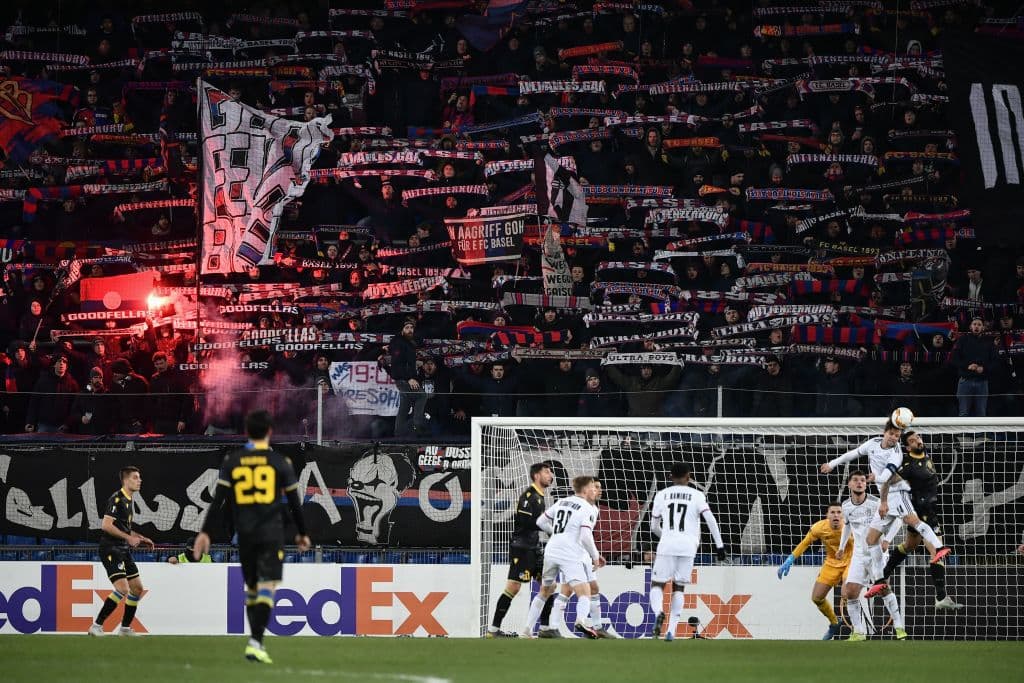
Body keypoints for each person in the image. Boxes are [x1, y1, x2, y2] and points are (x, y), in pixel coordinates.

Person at [192, 410, 311, 664]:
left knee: (252, 589)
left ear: (246, 432)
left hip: (243, 534)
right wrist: (302, 533)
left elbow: (219, 501)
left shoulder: (232, 461)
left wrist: (205, 532)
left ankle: (255, 642)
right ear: (270, 432)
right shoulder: (280, 462)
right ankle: (256, 642)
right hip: (271, 532)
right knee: (267, 587)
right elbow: (294, 502)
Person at [820, 420, 951, 599]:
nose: (894, 438)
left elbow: (886, 477)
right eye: (892, 434)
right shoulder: (873, 443)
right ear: (885, 433)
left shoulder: (897, 453)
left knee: (913, 521)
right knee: (871, 539)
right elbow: (852, 454)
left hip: (897, 494)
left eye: (897, 436)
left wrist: (876, 480)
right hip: (886, 497)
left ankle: (939, 547)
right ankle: (880, 579)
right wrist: (833, 463)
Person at [878, 430, 964, 611]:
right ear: (907, 447)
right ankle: (941, 596)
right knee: (937, 551)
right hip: (922, 512)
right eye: (912, 440)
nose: (918, 440)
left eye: (918, 437)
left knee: (909, 546)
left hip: (929, 508)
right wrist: (886, 500)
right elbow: (887, 480)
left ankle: (881, 575)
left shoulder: (924, 453)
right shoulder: (907, 464)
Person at [649, 463, 727, 641]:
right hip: (688, 547)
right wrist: (720, 545)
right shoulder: (697, 495)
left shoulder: (662, 495)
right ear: (688, 476)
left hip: (667, 545)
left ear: (670, 477)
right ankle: (671, 631)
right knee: (679, 587)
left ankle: (659, 612)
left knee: (657, 585)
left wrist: (666, 535)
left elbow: (653, 526)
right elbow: (710, 519)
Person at [538, 479, 618, 639]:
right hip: (570, 555)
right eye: (595, 487)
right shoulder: (580, 506)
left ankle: (598, 627)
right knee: (567, 590)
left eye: (600, 488)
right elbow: (583, 535)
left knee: (594, 588)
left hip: (582, 555)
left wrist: (592, 554)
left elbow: (584, 535)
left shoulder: (593, 509)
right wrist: (595, 555)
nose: (599, 490)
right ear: (586, 490)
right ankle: (552, 627)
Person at [486, 462, 553, 638]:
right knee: (514, 587)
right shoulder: (528, 496)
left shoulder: (540, 496)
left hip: (534, 547)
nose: (550, 475)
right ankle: (493, 631)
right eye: (547, 472)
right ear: (537, 476)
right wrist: (549, 528)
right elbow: (525, 523)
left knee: (549, 585)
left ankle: (546, 629)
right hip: (522, 547)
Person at [838, 470, 908, 641]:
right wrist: (841, 547)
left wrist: (888, 540)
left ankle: (899, 628)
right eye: (855, 480)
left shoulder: (876, 503)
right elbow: (847, 526)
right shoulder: (845, 506)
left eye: (862, 480)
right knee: (850, 591)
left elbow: (898, 519)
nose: (859, 483)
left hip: (877, 553)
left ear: (866, 484)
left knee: (883, 588)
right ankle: (858, 632)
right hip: (859, 555)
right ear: (849, 484)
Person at [88, 466, 155, 636]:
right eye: (135, 477)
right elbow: (106, 525)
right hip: (110, 548)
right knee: (123, 589)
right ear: (126, 480)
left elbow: (124, 528)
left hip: (123, 549)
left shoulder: (129, 500)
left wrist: (140, 537)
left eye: (139, 477)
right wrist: (128, 538)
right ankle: (96, 626)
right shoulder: (116, 499)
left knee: (137, 589)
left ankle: (124, 628)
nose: (139, 480)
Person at [776, 502, 851, 640]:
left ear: (843, 515)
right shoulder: (819, 527)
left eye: (839, 512)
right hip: (831, 563)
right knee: (817, 598)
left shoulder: (851, 526)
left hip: (851, 562)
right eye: (832, 512)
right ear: (827, 515)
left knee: (847, 592)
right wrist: (790, 559)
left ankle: (858, 630)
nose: (836, 515)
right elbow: (805, 543)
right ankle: (834, 622)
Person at [950, 317, 1000, 416]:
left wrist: (983, 368)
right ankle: (963, 432)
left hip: (982, 382)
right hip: (965, 380)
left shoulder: (989, 342)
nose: (976, 326)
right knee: (963, 413)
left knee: (981, 413)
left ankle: (982, 432)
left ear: (983, 328)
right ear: (970, 327)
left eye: (979, 324)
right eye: (974, 324)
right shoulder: (962, 340)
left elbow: (995, 361)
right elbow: (954, 359)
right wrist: (967, 366)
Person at [387, 319, 427, 436]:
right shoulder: (398, 342)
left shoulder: (407, 342)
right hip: (403, 380)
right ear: (402, 329)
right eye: (407, 327)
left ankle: (398, 434)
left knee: (405, 406)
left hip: (404, 379)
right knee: (421, 396)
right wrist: (409, 378)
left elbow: (406, 362)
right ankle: (417, 425)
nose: (410, 330)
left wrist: (416, 364)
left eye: (411, 327)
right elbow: (397, 364)